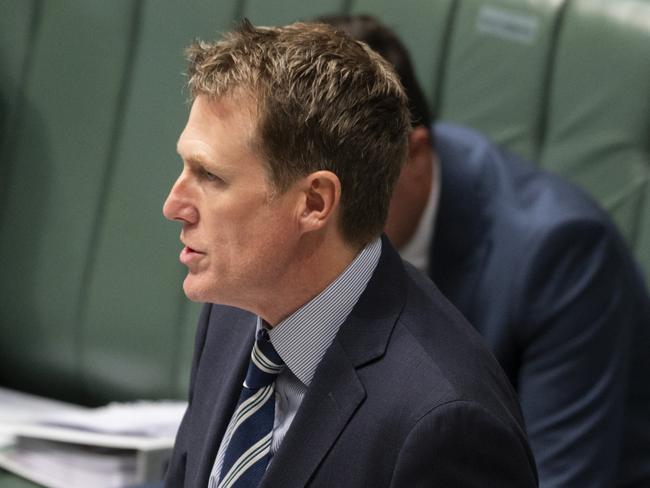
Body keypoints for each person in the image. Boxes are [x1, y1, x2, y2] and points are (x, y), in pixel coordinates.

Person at [162, 20, 538, 487]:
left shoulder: (445, 424)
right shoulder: (233, 312)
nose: (173, 206)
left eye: (210, 176)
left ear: (315, 203)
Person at [319, 14, 650, 488]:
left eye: (337, 190)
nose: (312, 220)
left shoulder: (560, 252)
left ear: (413, 155)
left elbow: (561, 477)